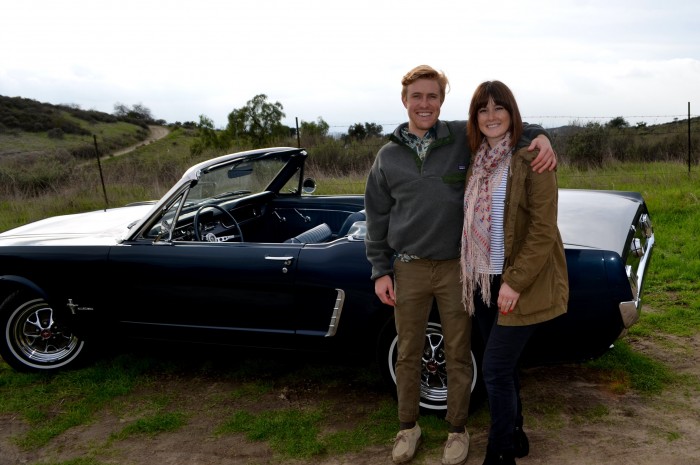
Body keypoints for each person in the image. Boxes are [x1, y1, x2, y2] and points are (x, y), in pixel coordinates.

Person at [364, 65, 557, 465]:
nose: (424, 104)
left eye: (432, 96)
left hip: (459, 268)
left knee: (461, 350)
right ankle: (407, 428)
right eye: (416, 96)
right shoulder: (388, 156)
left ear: (442, 101)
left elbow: (505, 125)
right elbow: (376, 216)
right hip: (411, 267)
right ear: (404, 100)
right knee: (408, 353)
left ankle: (458, 431)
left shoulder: (459, 141)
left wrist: (542, 137)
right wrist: (380, 269)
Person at [460, 80, 569, 465]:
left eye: (499, 108)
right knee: (503, 368)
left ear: (511, 112)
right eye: (483, 109)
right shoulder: (474, 158)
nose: (491, 116)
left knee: (494, 369)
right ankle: (517, 435)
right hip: (483, 282)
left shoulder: (532, 159)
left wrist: (515, 282)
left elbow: (542, 230)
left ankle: (500, 452)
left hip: (516, 283)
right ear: (475, 117)